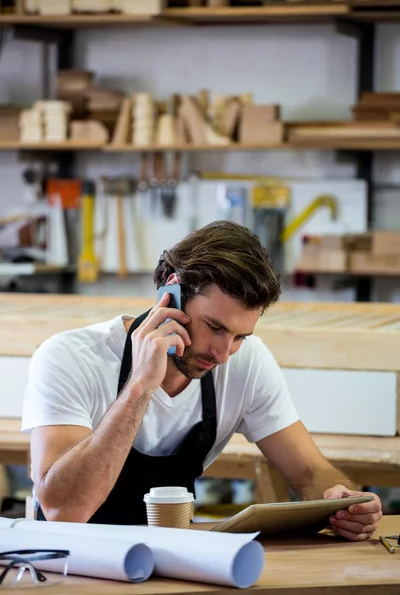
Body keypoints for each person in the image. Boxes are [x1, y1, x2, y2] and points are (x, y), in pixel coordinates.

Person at [22, 221, 382, 539]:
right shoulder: (70, 357)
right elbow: (64, 511)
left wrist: (343, 501)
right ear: (172, 292)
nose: (224, 354)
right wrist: (140, 387)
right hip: (72, 565)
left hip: (177, 560)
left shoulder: (246, 362)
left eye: (241, 337)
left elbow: (308, 473)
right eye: (215, 328)